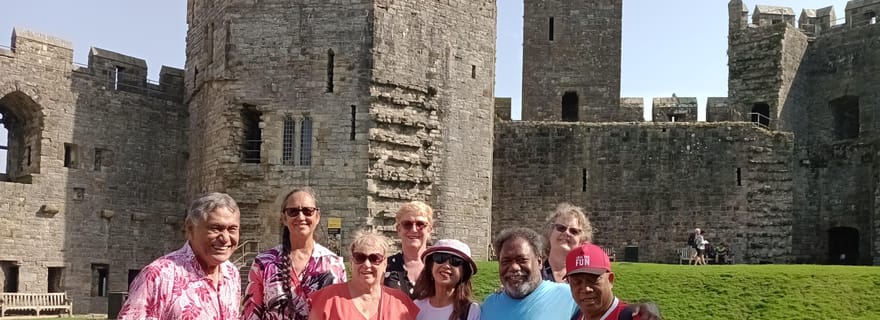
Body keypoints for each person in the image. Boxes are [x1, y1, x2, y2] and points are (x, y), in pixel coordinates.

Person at [118, 193, 241, 320]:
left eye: (232, 229)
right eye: (216, 228)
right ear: (190, 229)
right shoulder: (159, 276)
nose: (225, 238)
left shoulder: (232, 274)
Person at [241, 187, 346, 319]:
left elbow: (339, 314)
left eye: (308, 211)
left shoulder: (334, 264)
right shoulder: (263, 263)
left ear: (317, 216)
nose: (301, 217)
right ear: (284, 218)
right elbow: (250, 315)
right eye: (293, 211)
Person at [309, 230, 420, 320]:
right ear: (351, 261)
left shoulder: (401, 303)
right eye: (360, 258)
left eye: (375, 258)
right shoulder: (327, 300)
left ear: (385, 263)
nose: (367, 265)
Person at [481, 227, 579, 320]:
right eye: (506, 261)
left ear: (539, 262)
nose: (514, 267)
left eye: (522, 260)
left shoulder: (570, 297)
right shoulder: (488, 306)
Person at [566, 244, 661, 320]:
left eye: (593, 279)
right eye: (577, 281)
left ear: (610, 280)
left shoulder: (637, 317)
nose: (586, 288)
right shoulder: (577, 316)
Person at [412, 239, 481, 320]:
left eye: (455, 261)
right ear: (431, 266)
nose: (446, 265)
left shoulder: (471, 311)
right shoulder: (416, 307)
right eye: (440, 258)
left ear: (464, 272)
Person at [385, 201, 434, 298]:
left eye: (420, 224)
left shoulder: (438, 266)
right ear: (398, 229)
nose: (414, 229)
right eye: (407, 224)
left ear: (429, 230)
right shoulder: (385, 266)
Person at [542, 203, 594, 282]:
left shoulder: (586, 277)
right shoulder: (534, 273)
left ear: (581, 241)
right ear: (550, 232)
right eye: (561, 228)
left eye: (574, 231)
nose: (567, 233)